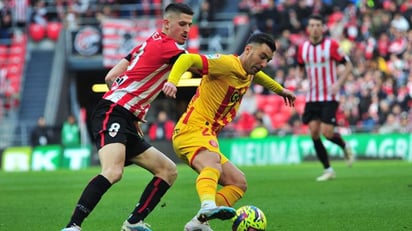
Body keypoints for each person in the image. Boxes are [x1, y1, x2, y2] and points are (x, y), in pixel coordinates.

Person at [60, 3, 195, 231]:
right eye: (181, 24)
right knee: (113, 171)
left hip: (124, 116)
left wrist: (132, 110)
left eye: (190, 25)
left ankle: (134, 223)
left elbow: (111, 76)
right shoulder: (167, 47)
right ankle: (73, 226)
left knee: (168, 170)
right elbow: (194, 63)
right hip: (112, 112)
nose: (186, 30)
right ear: (166, 23)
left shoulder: (149, 42)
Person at [162, 32, 296, 231]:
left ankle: (198, 223)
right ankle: (208, 206)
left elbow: (258, 77)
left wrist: (280, 90)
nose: (264, 63)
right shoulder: (225, 63)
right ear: (248, 49)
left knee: (238, 183)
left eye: (268, 59)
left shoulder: (248, 71)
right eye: (262, 56)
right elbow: (187, 58)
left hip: (205, 134)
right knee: (212, 164)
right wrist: (173, 81)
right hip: (192, 129)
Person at [296, 14, 354, 182]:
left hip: (329, 95)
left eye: (318, 25)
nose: (315, 28)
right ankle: (328, 169)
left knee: (327, 133)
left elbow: (348, 65)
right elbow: (300, 67)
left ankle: (344, 145)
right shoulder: (303, 48)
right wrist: (299, 79)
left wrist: (339, 83)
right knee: (314, 132)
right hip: (312, 96)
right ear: (308, 28)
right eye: (312, 25)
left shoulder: (331, 45)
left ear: (322, 28)